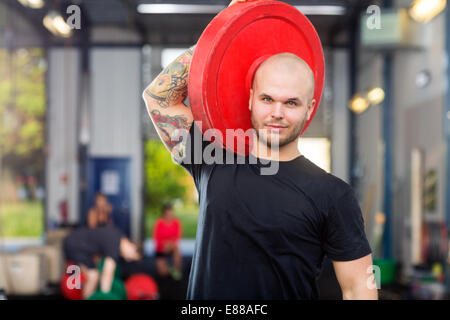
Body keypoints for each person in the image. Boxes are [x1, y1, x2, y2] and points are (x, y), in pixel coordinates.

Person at [142, 0, 377, 300]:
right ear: (251, 98)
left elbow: (359, 289)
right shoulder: (212, 158)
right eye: (268, 99)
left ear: (310, 108)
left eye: (291, 102)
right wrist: (228, 34)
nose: (277, 112)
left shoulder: (333, 195)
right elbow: (159, 97)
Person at [63, 225, 141, 299]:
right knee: (93, 276)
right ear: (132, 247)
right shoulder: (115, 244)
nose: (128, 260)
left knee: (94, 275)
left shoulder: (117, 236)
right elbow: (107, 275)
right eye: (132, 257)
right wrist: (104, 296)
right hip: (74, 244)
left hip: (76, 242)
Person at [153, 203, 183, 280]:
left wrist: (170, 243)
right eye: (167, 214)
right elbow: (157, 239)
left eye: (171, 213)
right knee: (163, 273)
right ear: (163, 214)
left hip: (172, 247)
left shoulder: (176, 222)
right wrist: (164, 244)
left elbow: (177, 237)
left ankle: (176, 269)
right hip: (161, 248)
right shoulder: (159, 223)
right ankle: (169, 269)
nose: (169, 215)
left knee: (177, 250)